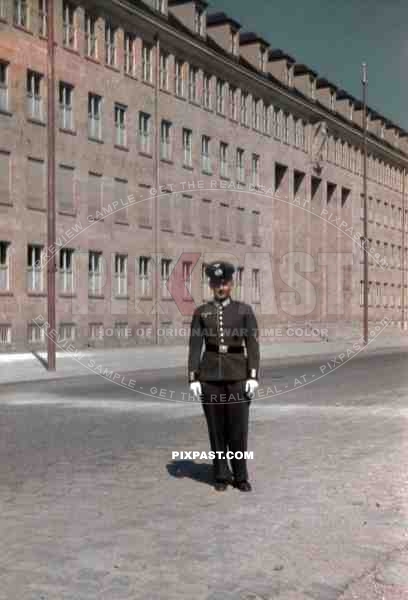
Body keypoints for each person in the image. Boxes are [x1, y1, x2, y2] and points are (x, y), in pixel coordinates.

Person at [188, 261, 260, 492]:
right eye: (216, 283)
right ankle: (220, 475)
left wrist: (253, 375)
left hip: (238, 375)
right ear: (210, 284)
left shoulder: (244, 311)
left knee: (238, 429)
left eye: (225, 283)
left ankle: (240, 476)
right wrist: (193, 378)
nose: (221, 287)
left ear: (231, 284)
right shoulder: (201, 312)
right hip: (209, 378)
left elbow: (253, 344)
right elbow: (194, 346)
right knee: (216, 429)